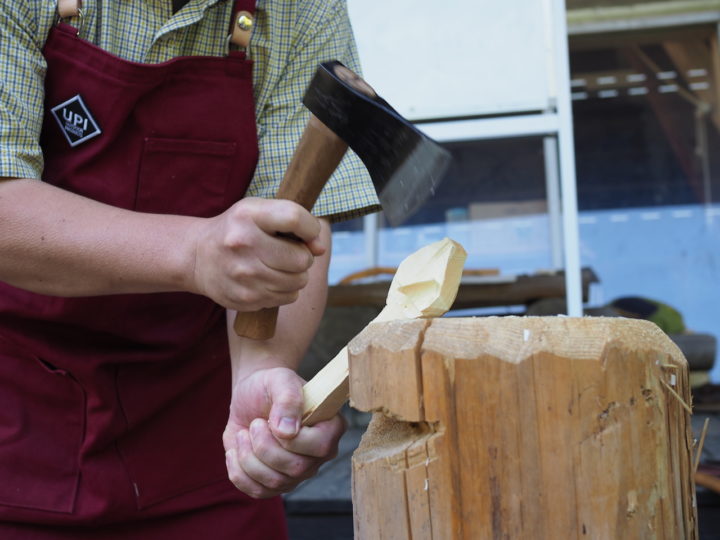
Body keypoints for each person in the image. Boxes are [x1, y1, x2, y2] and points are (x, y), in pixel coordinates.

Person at [0, 0, 379, 538]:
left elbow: (288, 231)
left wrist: (262, 374)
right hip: (16, 438)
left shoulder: (300, 10)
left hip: (209, 456)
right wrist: (195, 252)